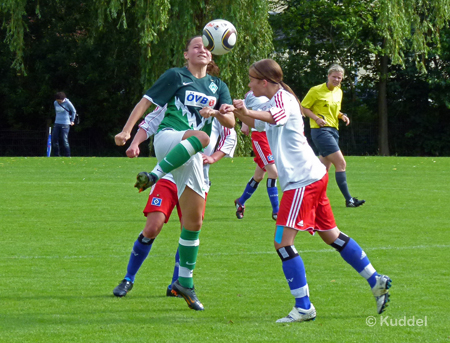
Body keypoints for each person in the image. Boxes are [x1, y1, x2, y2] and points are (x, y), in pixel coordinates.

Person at [225, 59, 391, 323]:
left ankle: (304, 307)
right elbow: (257, 125)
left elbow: (273, 117)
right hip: (313, 177)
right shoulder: (272, 100)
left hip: (302, 182)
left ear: (264, 82)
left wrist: (244, 109)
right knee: (331, 236)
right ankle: (376, 279)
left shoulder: (285, 101)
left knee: (282, 243)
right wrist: (232, 112)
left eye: (251, 79)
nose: (248, 84)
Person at [114, 36, 235, 311]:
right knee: (202, 138)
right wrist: (127, 132)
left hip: (191, 160)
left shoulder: (219, 86)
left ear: (213, 54)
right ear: (186, 55)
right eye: (196, 46)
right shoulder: (175, 76)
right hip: (170, 140)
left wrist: (217, 111)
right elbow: (146, 104)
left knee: (193, 224)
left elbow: (230, 121)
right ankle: (155, 175)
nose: (202, 49)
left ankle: (183, 283)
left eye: (206, 46)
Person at [113, 105, 236, 299]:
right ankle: (128, 279)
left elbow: (230, 135)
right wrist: (135, 143)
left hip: (197, 181)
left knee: (187, 231)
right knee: (152, 227)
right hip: (168, 177)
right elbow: (150, 122)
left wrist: (213, 157)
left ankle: (176, 284)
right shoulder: (175, 99)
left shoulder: (216, 108)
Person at [301, 65, 365, 207]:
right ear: (328, 76)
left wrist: (342, 116)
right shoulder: (315, 90)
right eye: (334, 76)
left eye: (339, 77)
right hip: (320, 131)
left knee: (322, 170)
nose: (336, 79)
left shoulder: (339, 92)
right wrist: (316, 118)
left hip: (333, 131)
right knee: (341, 163)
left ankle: (309, 198)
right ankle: (349, 200)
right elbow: (303, 107)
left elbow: (335, 110)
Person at [234, 91, 279, 221]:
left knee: (259, 176)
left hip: (272, 136)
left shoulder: (276, 92)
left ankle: (240, 202)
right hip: (260, 136)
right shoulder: (252, 93)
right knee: (273, 173)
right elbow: (243, 107)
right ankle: (277, 211)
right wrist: (245, 124)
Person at [52, 92, 76, 157]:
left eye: (60, 101)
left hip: (65, 123)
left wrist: (72, 120)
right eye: (58, 101)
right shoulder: (55, 103)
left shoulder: (67, 102)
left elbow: (74, 111)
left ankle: (68, 155)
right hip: (57, 123)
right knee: (54, 139)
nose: (59, 102)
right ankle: (56, 155)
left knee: (64, 140)